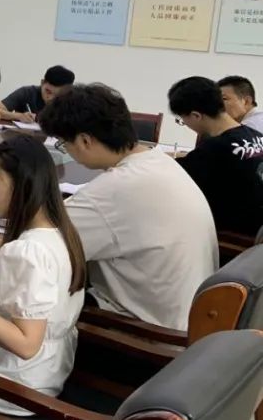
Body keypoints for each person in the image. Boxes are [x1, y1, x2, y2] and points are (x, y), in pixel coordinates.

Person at [39, 84, 217, 329]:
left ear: (84, 140)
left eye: (63, 144)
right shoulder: (159, 161)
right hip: (192, 318)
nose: (65, 150)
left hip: (148, 333)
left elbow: (38, 245)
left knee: (17, 292)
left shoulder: (114, 189)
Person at [0, 137, 86, 415]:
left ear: (22, 184)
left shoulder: (25, 252)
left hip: (11, 387)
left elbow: (26, 344)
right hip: (49, 371)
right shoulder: (61, 232)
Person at [168, 76, 263, 237]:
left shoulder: (215, 148)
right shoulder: (257, 136)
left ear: (196, 116)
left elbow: (174, 178)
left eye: (183, 120)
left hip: (234, 236)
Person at [0, 66, 76, 123]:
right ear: (42, 83)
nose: (51, 98)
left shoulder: (71, 100)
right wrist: (18, 116)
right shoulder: (26, 92)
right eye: (48, 91)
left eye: (58, 95)